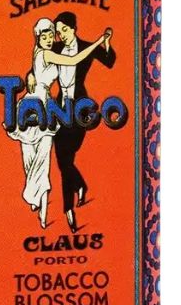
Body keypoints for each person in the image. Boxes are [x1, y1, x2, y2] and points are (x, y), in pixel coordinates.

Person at [7, 17, 110, 228]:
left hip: (66, 106)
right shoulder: (48, 51)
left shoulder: (53, 48)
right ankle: (48, 200)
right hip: (40, 106)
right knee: (48, 157)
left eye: (53, 34)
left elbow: (109, 61)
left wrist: (103, 43)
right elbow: (66, 61)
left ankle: (67, 191)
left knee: (57, 157)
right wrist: (98, 42)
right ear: (38, 37)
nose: (54, 37)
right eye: (47, 35)